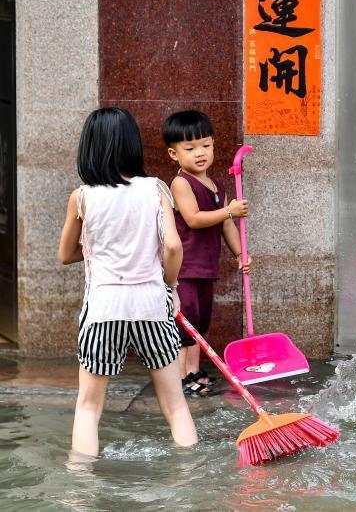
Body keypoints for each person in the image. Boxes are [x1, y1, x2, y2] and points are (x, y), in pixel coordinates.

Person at [58, 107, 197, 458]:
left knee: (88, 408)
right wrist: (171, 286)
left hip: (102, 308)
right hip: (151, 304)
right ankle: (190, 482)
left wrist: (100, 251)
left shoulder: (82, 197)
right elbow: (173, 247)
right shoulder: (155, 189)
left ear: (89, 147)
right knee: (176, 406)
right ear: (132, 145)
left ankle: (80, 488)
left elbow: (65, 254)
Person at [162, 110, 252, 396]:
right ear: (174, 154)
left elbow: (227, 225)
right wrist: (229, 210)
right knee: (185, 325)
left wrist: (240, 253)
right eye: (189, 149)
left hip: (206, 268)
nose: (199, 153)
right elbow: (193, 218)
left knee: (199, 324)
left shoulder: (217, 184)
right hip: (185, 268)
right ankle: (181, 378)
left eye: (205, 145)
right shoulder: (180, 183)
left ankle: (194, 371)